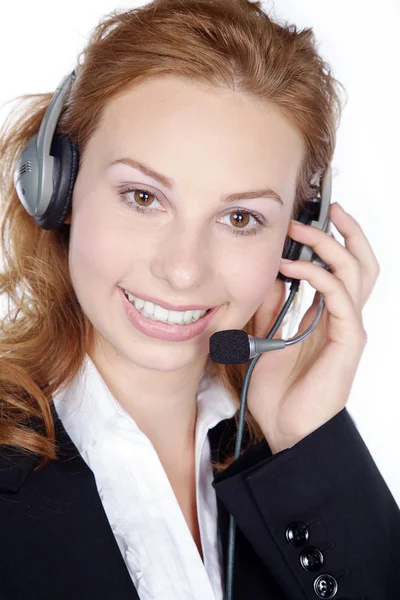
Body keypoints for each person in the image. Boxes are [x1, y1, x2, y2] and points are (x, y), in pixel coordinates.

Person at [0, 0, 398, 598]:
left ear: (300, 243)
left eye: (240, 217)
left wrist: (307, 443)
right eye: (142, 197)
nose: (184, 270)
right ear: (56, 185)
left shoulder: (286, 467)